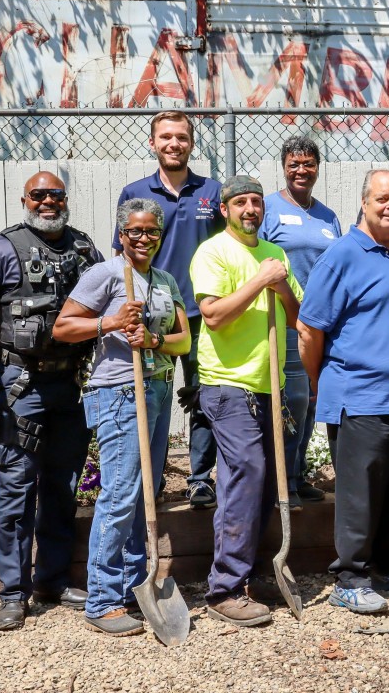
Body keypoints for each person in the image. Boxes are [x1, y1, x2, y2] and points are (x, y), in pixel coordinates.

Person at [0, 172, 103, 631]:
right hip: (20, 386)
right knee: (16, 489)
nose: (47, 202)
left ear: (64, 199)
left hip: (70, 387)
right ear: (24, 199)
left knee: (63, 487)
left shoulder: (83, 247)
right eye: (38, 195)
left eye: (55, 195)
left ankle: (53, 580)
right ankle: (13, 593)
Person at [297, 169, 389, 615]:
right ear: (364, 203)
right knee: (359, 492)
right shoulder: (343, 254)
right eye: (383, 199)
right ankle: (350, 577)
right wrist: (323, 383)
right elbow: (309, 328)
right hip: (361, 395)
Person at [54, 199, 192, 636]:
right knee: (120, 495)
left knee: (143, 495)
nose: (144, 238)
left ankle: (137, 583)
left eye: (152, 231)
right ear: (121, 235)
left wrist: (153, 338)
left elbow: (184, 341)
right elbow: (63, 327)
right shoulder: (106, 274)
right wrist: (111, 322)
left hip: (156, 388)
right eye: (135, 231)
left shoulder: (165, 280)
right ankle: (102, 598)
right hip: (117, 392)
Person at [189, 176, 303, 628]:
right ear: (225, 209)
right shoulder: (214, 252)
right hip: (226, 384)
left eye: (257, 201)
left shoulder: (275, 254)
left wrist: (282, 288)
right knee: (246, 474)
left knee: (270, 481)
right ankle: (225, 588)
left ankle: (255, 573)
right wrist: (260, 281)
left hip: (267, 384)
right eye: (241, 203)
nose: (251, 209)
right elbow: (213, 316)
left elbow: (295, 318)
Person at [114, 111, 223, 510]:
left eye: (181, 137)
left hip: (201, 314)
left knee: (202, 397)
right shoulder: (134, 192)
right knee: (149, 397)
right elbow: (121, 252)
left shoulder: (211, 192)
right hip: (151, 316)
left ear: (191, 143)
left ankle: (199, 479)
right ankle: (151, 477)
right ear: (153, 142)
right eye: (165, 137)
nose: (173, 144)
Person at [260, 136, 342, 509]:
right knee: (291, 401)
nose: (301, 170)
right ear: (283, 166)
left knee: (310, 402)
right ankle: (282, 486)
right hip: (284, 320)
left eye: (308, 163)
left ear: (317, 168)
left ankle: (296, 475)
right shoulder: (269, 210)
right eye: (294, 163)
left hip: (321, 324)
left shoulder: (328, 217)